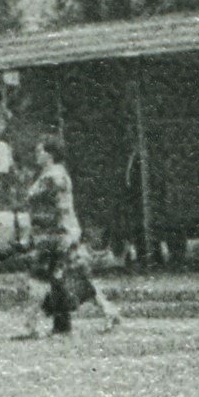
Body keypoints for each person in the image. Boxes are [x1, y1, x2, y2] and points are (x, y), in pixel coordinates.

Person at [23, 134, 122, 334]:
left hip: (55, 236)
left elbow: (38, 200)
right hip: (57, 235)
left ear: (50, 154)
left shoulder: (53, 177)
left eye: (40, 151)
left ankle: (30, 326)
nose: (37, 154)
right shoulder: (52, 174)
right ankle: (110, 312)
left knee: (38, 279)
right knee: (77, 278)